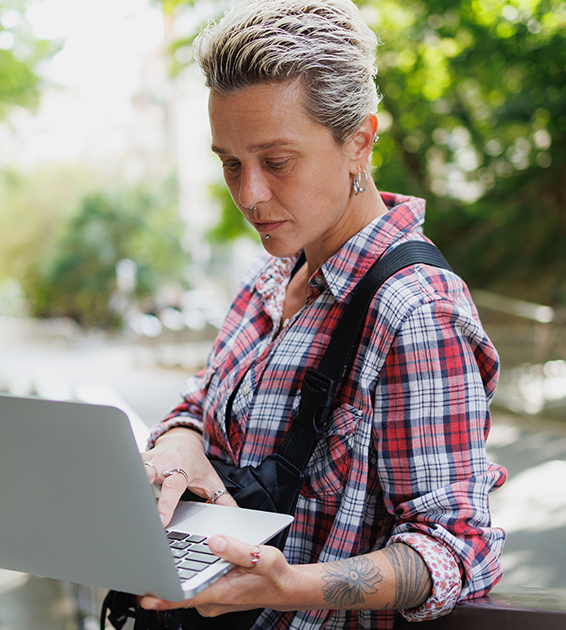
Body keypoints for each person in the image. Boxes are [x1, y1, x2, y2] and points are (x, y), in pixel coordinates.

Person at [138, 1, 507, 627]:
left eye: (276, 162)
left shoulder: (415, 310)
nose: (249, 195)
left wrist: (287, 586)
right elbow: (200, 401)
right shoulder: (267, 278)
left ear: (359, 141)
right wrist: (179, 443)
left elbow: (456, 547)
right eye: (230, 163)